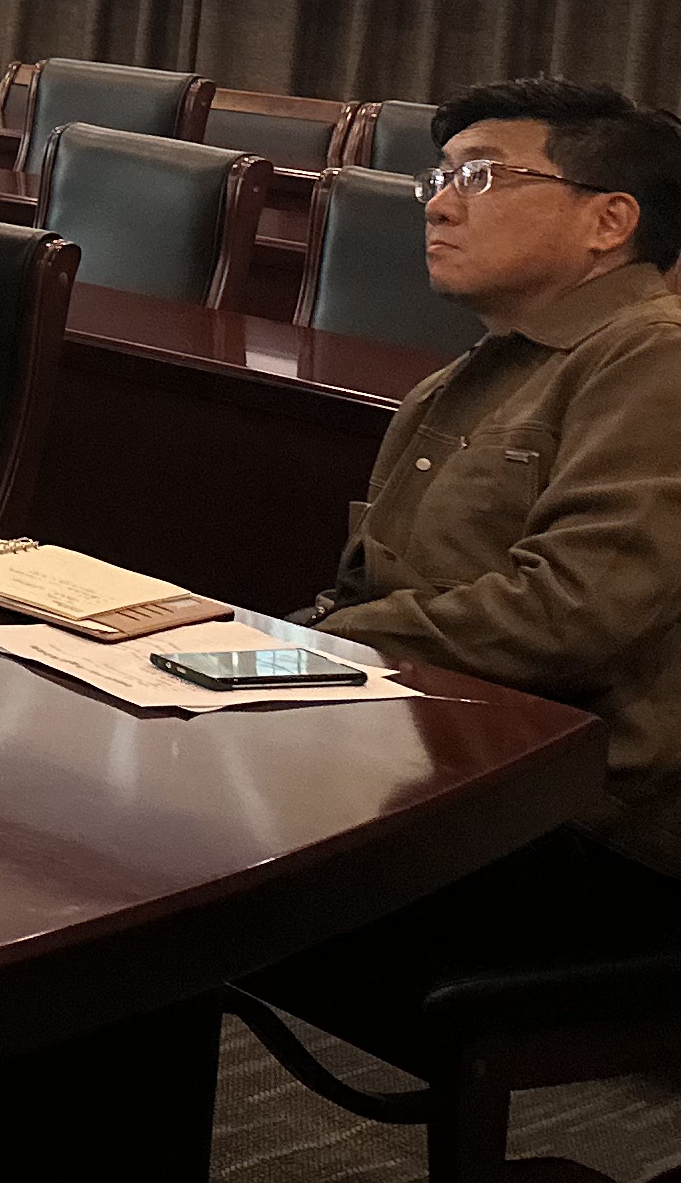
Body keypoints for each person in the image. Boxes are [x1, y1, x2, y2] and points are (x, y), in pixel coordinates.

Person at [254, 82, 681, 996]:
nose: (440, 205)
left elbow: (570, 613)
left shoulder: (656, 357)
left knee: (170, 840)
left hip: (578, 820)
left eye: (481, 177)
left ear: (609, 221)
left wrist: (312, 645)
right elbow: (370, 586)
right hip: (438, 755)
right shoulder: (474, 374)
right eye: (439, 179)